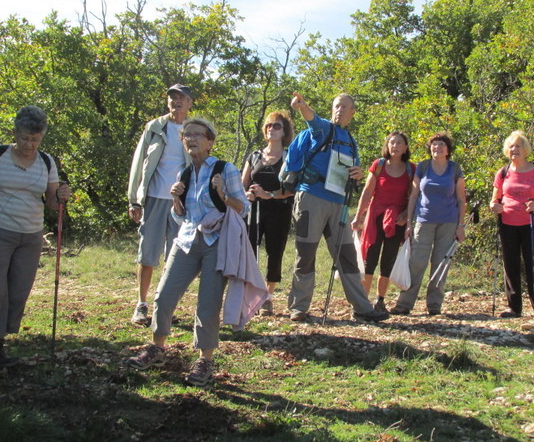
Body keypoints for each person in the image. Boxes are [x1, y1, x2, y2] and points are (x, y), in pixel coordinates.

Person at [128, 117, 253, 387]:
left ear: (210, 142)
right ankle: (157, 348)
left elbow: (244, 209)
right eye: (187, 135)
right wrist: (175, 200)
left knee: (207, 304)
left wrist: (222, 195)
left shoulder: (225, 169)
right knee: (163, 295)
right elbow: (179, 218)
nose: (192, 139)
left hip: (216, 241)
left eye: (198, 135)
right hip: (186, 240)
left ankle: (204, 360)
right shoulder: (183, 174)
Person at [0, 106, 72, 380]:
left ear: (42, 137)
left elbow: (50, 202)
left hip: (31, 235)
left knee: (16, 292)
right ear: (15, 133)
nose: (29, 144)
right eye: (24, 138)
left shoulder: (46, 162)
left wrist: (60, 196)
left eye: (35, 139)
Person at [286, 92, 389, 323]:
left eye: (344, 107)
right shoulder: (323, 128)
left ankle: (362, 308)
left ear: (352, 113)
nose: (339, 110)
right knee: (306, 253)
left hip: (339, 203)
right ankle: (299, 308)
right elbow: (311, 118)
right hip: (311, 197)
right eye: (336, 106)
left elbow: (355, 172)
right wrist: (302, 106)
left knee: (347, 256)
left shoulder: (351, 141)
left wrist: (359, 173)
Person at [127, 84, 193, 326]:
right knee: (148, 254)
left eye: (181, 98)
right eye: (172, 97)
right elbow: (138, 163)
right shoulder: (155, 128)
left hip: (180, 203)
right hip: (154, 198)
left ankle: (163, 306)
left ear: (189, 103)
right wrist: (134, 199)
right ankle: (141, 305)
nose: (176, 101)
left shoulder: (192, 131)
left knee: (173, 257)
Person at [391, 133, 467, 316]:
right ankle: (405, 303)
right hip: (423, 220)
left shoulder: (455, 169)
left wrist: (460, 226)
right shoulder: (423, 167)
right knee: (416, 262)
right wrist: (409, 223)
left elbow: (461, 199)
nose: (437, 148)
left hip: (448, 222)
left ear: (448, 150)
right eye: (434, 145)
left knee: (441, 263)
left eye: (441, 145)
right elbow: (414, 196)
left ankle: (434, 304)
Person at [489, 130, 534, 317]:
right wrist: (495, 207)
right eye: (511, 146)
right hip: (507, 222)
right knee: (510, 264)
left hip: (532, 223)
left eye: (518, 146)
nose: (514, 149)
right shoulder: (502, 173)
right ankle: (513, 307)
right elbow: (495, 200)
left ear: (525, 150)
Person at [351, 132, 414, 313]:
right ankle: (363, 301)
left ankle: (380, 300)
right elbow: (367, 192)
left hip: (396, 221)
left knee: (388, 260)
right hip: (375, 218)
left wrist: (405, 216)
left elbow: (413, 197)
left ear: (405, 147)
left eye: (399, 143)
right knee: (370, 260)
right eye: (392, 142)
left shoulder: (411, 169)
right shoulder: (378, 165)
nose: (395, 146)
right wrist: (358, 216)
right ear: (387, 146)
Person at [241, 110, 295, 316]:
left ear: (284, 131)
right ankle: (249, 293)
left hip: (279, 211)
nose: (271, 129)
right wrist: (248, 194)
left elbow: (292, 188)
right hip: (253, 210)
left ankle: (267, 297)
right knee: (249, 251)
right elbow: (242, 183)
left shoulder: (290, 157)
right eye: (269, 126)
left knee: (275, 253)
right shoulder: (255, 155)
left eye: (277, 126)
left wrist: (269, 194)